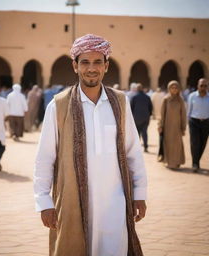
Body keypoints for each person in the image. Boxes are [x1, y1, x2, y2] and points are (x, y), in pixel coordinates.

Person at [34, 34, 147, 256]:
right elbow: (45, 158)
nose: (91, 68)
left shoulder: (120, 102)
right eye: (85, 62)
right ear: (75, 66)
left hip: (115, 203)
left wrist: (140, 193)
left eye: (97, 62)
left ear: (106, 66)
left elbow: (133, 151)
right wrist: (44, 201)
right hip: (71, 203)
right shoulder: (59, 106)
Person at [158, 80, 186, 169]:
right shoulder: (166, 99)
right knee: (168, 144)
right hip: (167, 126)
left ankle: (177, 161)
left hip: (177, 127)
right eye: (172, 88)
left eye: (176, 88)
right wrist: (160, 125)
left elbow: (183, 114)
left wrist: (183, 127)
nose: (174, 89)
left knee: (177, 145)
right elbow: (162, 114)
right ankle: (169, 161)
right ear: (169, 89)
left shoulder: (180, 100)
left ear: (178, 89)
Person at [187, 78, 209, 171]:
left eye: (205, 86)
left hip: (206, 122)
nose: (203, 87)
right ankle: (195, 163)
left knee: (203, 143)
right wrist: (188, 122)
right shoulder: (192, 96)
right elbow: (189, 110)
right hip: (194, 121)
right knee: (195, 143)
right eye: (201, 85)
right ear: (198, 86)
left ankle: (197, 161)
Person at [130, 83, 153, 152]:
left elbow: (131, 108)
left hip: (136, 118)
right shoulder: (147, 97)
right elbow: (151, 108)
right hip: (145, 118)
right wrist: (149, 115)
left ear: (137, 89)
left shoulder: (134, 97)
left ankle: (136, 148)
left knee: (137, 133)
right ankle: (145, 147)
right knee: (144, 132)